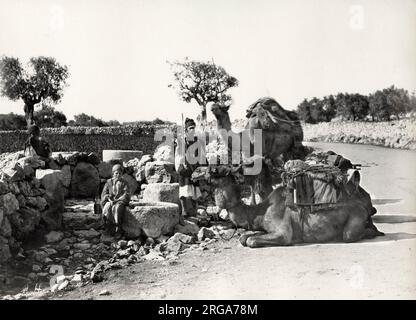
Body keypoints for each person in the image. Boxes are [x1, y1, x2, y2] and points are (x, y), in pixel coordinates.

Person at [175, 118, 202, 217]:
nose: (193, 130)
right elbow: (178, 155)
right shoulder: (181, 141)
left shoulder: (196, 141)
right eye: (190, 128)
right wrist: (181, 162)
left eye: (194, 128)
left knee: (194, 190)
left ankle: (194, 211)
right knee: (184, 190)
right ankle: (184, 211)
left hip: (194, 167)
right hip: (185, 168)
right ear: (186, 130)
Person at [101, 164, 130, 238]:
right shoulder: (109, 182)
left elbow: (126, 194)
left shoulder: (124, 182)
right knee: (107, 208)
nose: (118, 175)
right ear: (113, 173)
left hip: (120, 201)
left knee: (117, 208)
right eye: (116, 173)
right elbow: (104, 193)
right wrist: (109, 199)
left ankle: (118, 228)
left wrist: (118, 199)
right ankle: (108, 227)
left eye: (120, 173)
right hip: (111, 200)